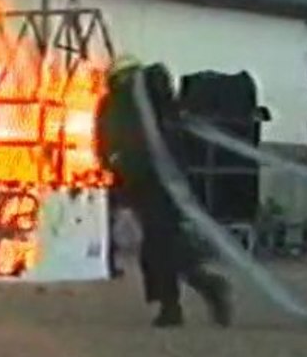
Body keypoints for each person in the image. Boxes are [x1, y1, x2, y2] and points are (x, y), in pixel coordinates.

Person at [95, 56, 232, 328]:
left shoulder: (119, 101)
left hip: (144, 181)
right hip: (169, 178)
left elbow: (108, 142)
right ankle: (189, 295)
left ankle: (190, 295)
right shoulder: (159, 98)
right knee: (164, 240)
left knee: (160, 244)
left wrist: (116, 173)